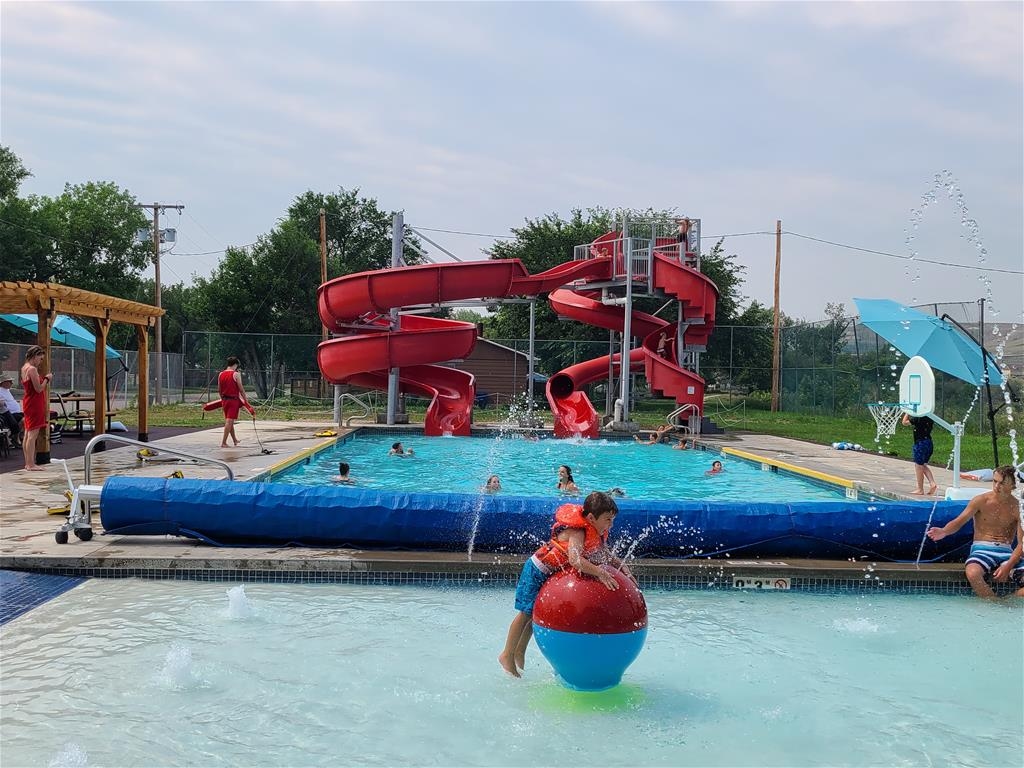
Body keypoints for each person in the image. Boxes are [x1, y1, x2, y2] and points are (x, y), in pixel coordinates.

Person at [498, 491, 633, 677]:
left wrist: (623, 568)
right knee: (525, 613)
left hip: (549, 574)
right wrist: (600, 573)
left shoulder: (595, 532)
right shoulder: (578, 531)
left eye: (613, 519)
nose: (611, 524)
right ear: (592, 518)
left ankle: (520, 652)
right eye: (608, 519)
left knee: (533, 614)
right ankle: (507, 654)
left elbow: (605, 555)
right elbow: (575, 559)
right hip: (537, 570)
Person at [926, 466, 1024, 599]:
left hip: (1006, 552)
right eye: (995, 481)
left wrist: (1008, 567)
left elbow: (1021, 544)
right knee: (972, 573)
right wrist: (944, 531)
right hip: (982, 550)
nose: (996, 486)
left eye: (1002, 483)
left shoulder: (1017, 507)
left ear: (1013, 485)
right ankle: (994, 603)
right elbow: (959, 521)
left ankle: (1010, 599)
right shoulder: (981, 501)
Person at [20, 346, 52, 471]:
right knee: (33, 434)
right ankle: (30, 464)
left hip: (29, 402)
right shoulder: (32, 369)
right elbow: (38, 388)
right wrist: (47, 379)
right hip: (34, 403)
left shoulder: (24, 368)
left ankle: (28, 462)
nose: (41, 361)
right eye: (40, 358)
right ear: (34, 356)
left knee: (28, 433)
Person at [218, 356, 250, 448]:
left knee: (229, 420)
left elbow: (219, 389)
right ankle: (224, 442)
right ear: (235, 365)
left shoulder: (221, 374)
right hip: (233, 400)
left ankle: (234, 440)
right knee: (229, 421)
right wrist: (245, 401)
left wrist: (222, 399)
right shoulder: (235, 374)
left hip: (224, 400)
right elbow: (241, 389)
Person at [902, 412, 937, 495]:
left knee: (918, 466)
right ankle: (932, 483)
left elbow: (904, 422)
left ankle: (920, 489)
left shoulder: (919, 418)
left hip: (920, 444)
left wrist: (907, 412)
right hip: (929, 443)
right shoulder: (930, 418)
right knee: (923, 465)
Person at [0, 373, 24, 448]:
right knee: (22, 420)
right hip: (7, 414)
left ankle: (16, 437)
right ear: (4, 382)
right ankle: (15, 438)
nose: (11, 383)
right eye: (10, 381)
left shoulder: (7, 390)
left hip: (15, 412)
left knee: (28, 418)